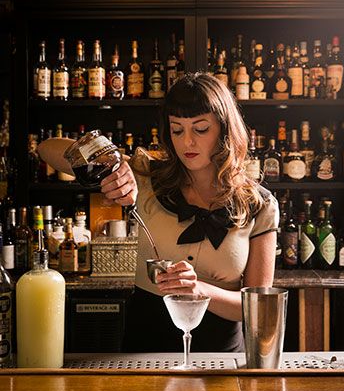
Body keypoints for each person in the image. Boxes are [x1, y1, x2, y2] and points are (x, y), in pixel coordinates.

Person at [100, 72, 279, 352]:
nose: (187, 143)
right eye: (177, 129)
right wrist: (113, 163)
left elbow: (256, 308)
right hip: (145, 348)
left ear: (223, 128)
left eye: (200, 128)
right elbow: (49, 150)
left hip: (221, 358)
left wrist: (201, 291)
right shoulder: (146, 177)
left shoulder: (259, 205)